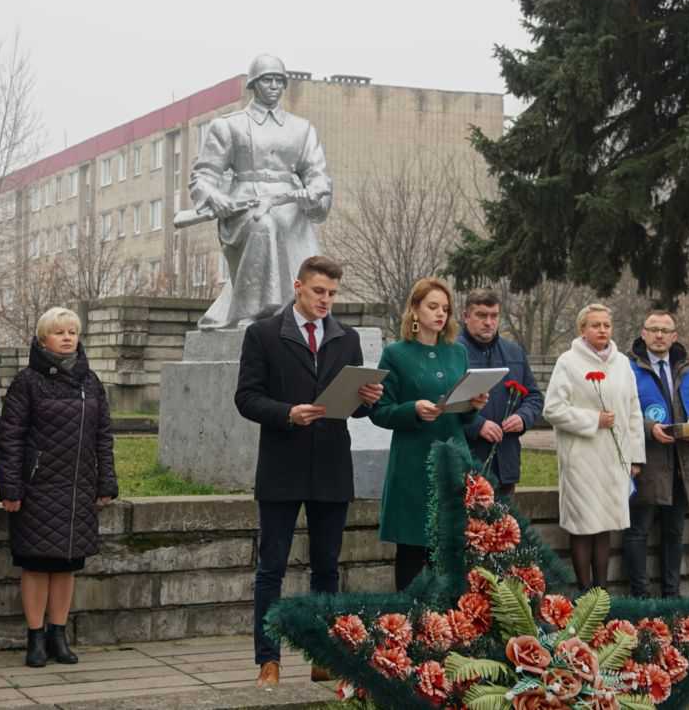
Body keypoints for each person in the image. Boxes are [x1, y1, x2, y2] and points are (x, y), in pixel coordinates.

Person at [235, 256, 384, 687]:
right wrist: (286, 413)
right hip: (282, 465)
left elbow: (352, 410)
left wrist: (367, 397)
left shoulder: (346, 337)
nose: (326, 301)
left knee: (326, 568)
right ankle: (269, 660)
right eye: (319, 291)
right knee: (271, 568)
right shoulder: (263, 334)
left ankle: (324, 655)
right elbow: (246, 398)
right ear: (299, 287)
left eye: (333, 294)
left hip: (332, 466)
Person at [0, 307, 118, 668]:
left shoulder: (91, 382)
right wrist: (12, 488)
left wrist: (106, 480)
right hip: (38, 488)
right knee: (35, 565)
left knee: (67, 565)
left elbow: (103, 436)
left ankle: (58, 634)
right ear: (42, 339)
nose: (67, 337)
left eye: (72, 331)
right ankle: (34, 638)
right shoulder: (27, 382)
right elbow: (11, 437)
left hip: (78, 487)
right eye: (59, 332)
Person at [189, 54, 332, 330]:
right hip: (244, 205)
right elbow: (203, 176)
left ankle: (302, 310)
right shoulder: (229, 125)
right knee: (263, 223)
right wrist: (217, 198)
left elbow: (317, 174)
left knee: (285, 223)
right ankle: (254, 312)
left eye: (280, 80)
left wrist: (315, 191)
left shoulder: (301, 129)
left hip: (290, 206)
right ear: (254, 83)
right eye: (268, 79)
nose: (275, 86)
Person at [371, 277, 487, 592]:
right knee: (412, 550)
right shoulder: (395, 354)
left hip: (453, 460)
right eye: (432, 306)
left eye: (445, 309)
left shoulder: (457, 353)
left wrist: (473, 404)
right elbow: (379, 411)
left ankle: (448, 629)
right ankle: (408, 627)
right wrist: (413, 410)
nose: (440, 314)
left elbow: (463, 414)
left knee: (450, 553)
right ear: (415, 309)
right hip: (413, 463)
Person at [543, 304, 644, 593]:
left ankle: (602, 592)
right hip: (582, 459)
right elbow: (553, 409)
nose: (602, 330)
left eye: (606, 325)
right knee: (583, 526)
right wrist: (592, 419)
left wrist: (635, 456)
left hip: (614, 459)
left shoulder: (623, 363)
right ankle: (584, 592)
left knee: (606, 527)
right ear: (582, 329)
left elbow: (634, 410)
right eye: (595, 325)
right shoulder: (568, 362)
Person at [621, 310, 689, 599]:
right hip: (646, 462)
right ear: (643, 334)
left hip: (681, 465)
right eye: (653, 329)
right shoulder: (628, 368)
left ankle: (672, 594)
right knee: (638, 531)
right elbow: (623, 412)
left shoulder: (688, 369)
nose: (659, 335)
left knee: (674, 534)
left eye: (665, 330)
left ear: (674, 336)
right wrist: (649, 428)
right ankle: (640, 596)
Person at [459, 288, 544, 497]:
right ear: (466, 317)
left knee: (506, 528)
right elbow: (442, 404)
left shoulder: (514, 352)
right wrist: (477, 425)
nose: (489, 322)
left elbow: (534, 397)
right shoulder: (452, 352)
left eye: (494, 315)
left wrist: (523, 418)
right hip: (466, 462)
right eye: (481, 315)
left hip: (506, 463)